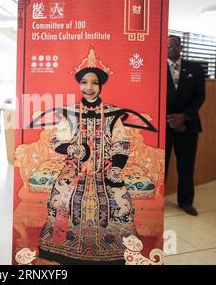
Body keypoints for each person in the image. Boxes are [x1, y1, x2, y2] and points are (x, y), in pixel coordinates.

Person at [31, 47, 157, 264]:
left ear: (100, 86)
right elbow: (58, 140)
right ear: (79, 85)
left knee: (119, 202)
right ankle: (61, 247)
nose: (89, 87)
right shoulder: (70, 113)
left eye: (94, 83)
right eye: (84, 82)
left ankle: (114, 248)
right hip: (75, 170)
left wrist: (116, 168)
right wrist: (71, 149)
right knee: (61, 198)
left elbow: (121, 142)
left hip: (106, 169)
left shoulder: (112, 113)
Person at [166, 35, 206, 216]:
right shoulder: (155, 67)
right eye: (168, 45)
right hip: (164, 125)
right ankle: (157, 201)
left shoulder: (195, 69)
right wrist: (170, 119)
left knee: (186, 165)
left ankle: (186, 201)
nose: (171, 48)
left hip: (188, 125)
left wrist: (183, 116)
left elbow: (200, 96)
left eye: (175, 45)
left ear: (181, 47)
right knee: (161, 165)